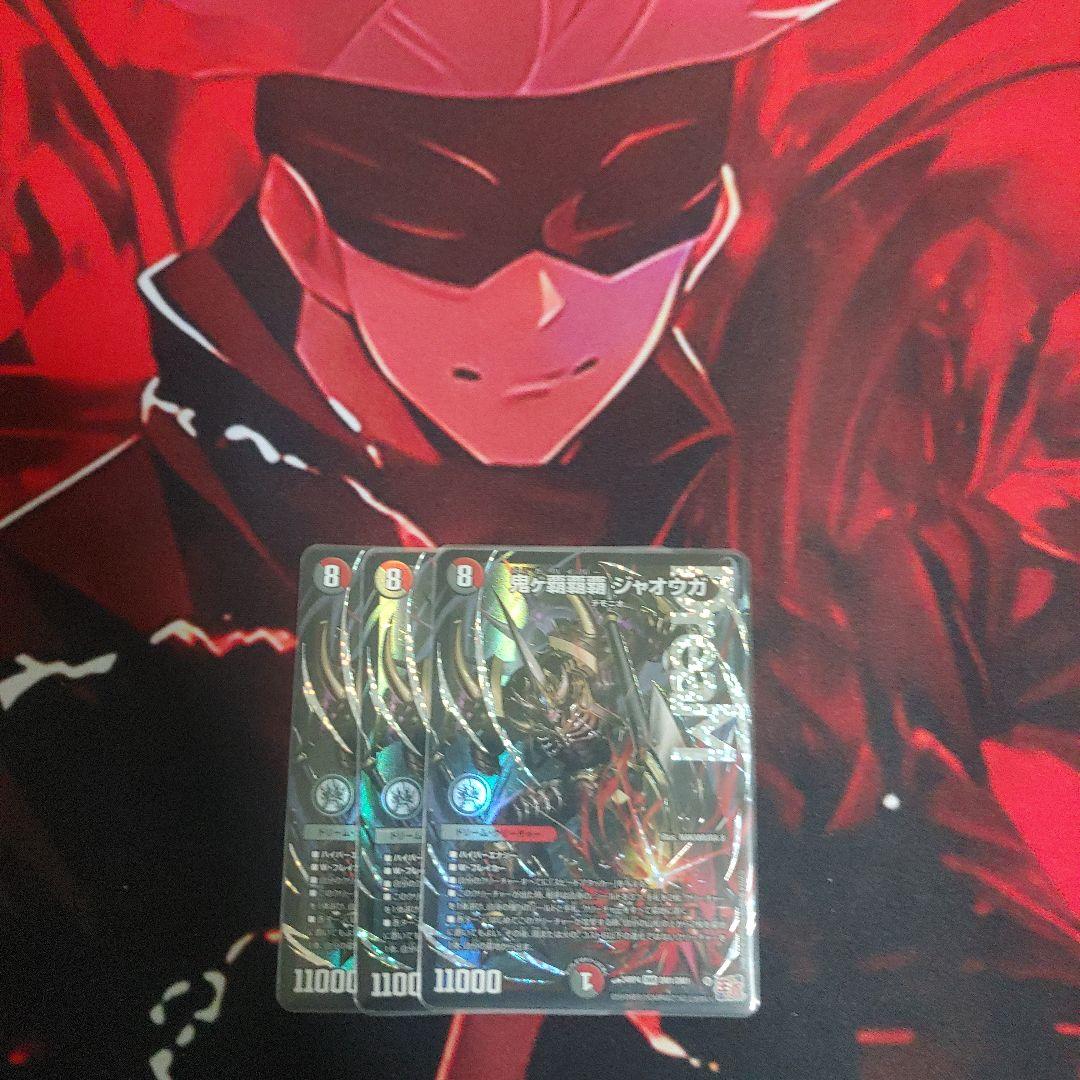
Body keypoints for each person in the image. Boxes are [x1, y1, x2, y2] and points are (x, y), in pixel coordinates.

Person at [1, 0, 1077, 1076]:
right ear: (302, 228)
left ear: (708, 224)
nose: (542, 308)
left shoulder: (776, 553)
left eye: (627, 216)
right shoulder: (75, 590)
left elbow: (957, 966)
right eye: (444, 229)